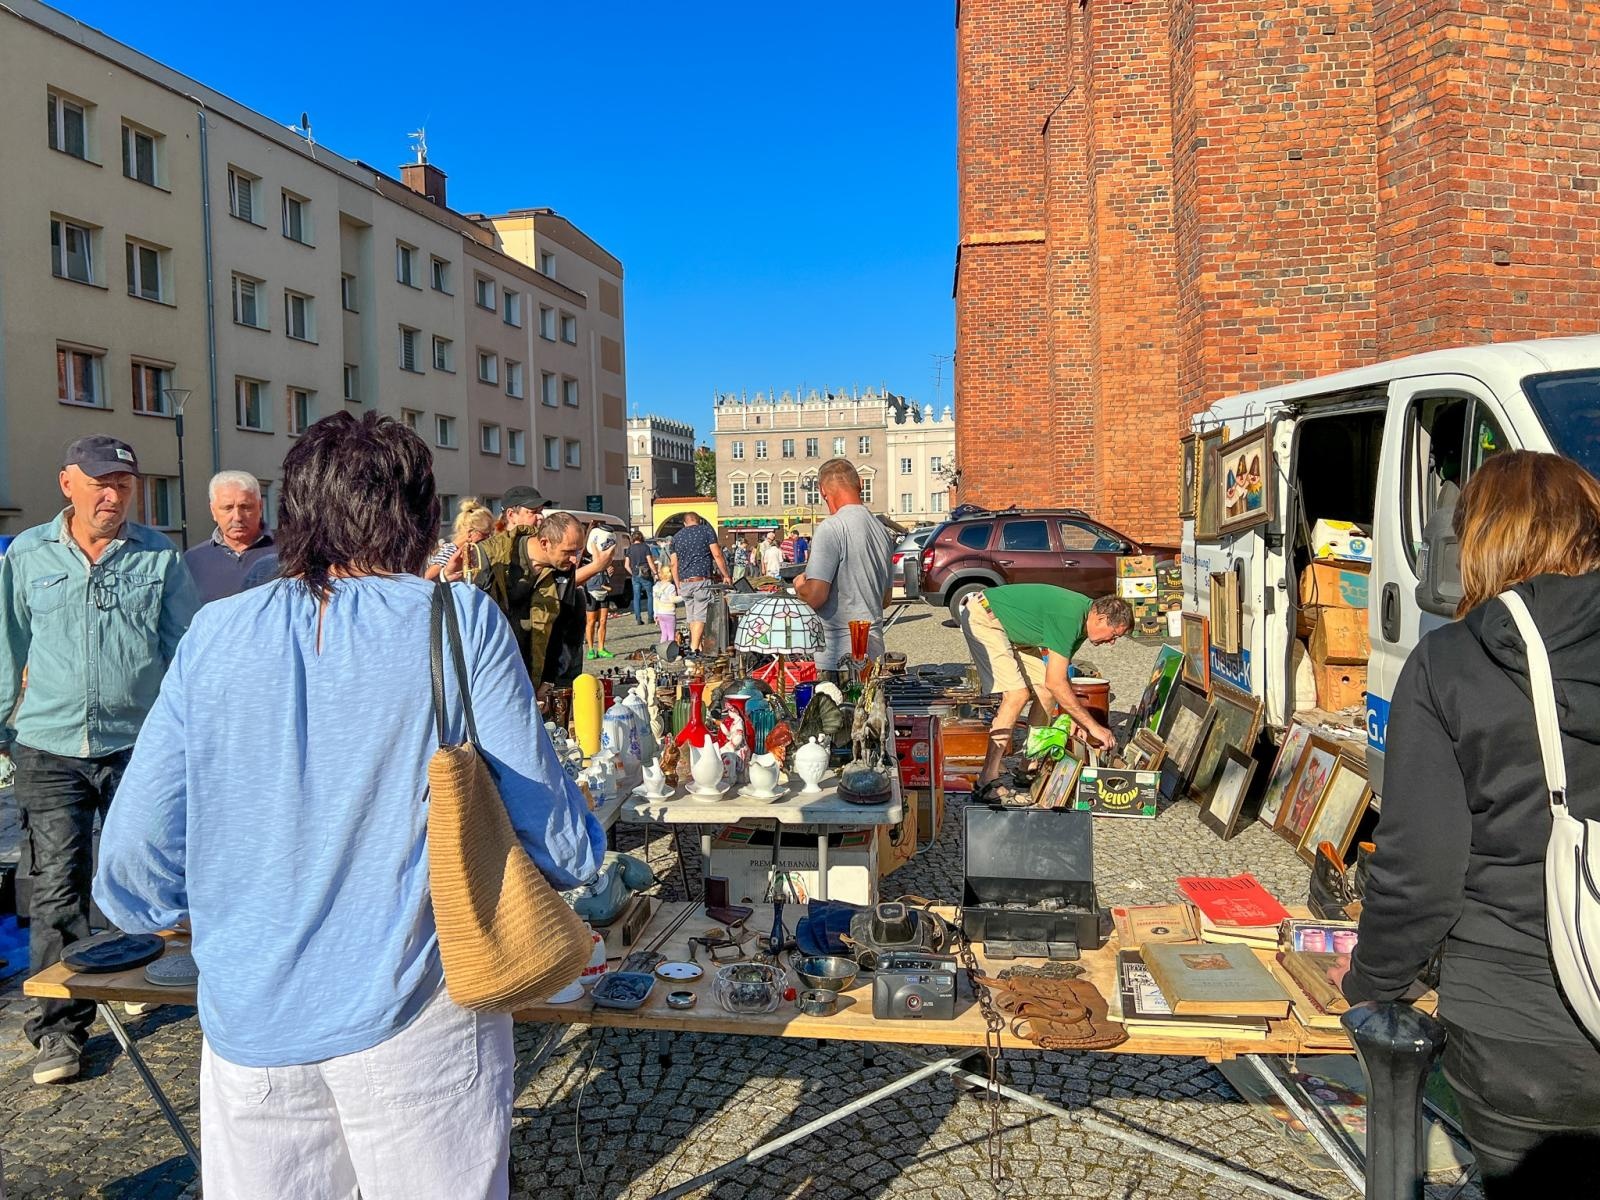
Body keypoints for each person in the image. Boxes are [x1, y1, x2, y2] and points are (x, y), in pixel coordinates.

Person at [92, 410, 602, 1198]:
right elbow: (563, 849)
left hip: (250, 1024)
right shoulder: (455, 619)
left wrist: (216, 914)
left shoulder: (215, 635)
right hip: (417, 1018)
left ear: (292, 517)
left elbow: (130, 870)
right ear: (424, 519)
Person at [1338, 451, 1600, 1193]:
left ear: (1479, 540)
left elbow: (1421, 870)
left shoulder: (1455, 659)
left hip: (1522, 1020)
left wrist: (1370, 983)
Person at [0, 435, 199, 1084]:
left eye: (123, 484)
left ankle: (139, 974)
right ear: (68, 484)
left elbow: (185, 649)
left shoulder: (157, 555)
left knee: (139, 873)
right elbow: (6, 645)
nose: (112, 495)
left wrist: (192, 732)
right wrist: (4, 727)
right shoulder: (28, 554)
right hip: (49, 747)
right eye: (99, 483)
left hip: (138, 744)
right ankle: (60, 1033)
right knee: (58, 886)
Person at [956, 583, 1131, 799]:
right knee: (1017, 694)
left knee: (1046, 694)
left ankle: (1027, 766)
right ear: (1101, 619)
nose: (1112, 642)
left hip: (1015, 631)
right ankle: (986, 780)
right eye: (1114, 635)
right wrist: (1092, 726)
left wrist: (1074, 718)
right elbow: (1057, 682)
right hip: (985, 616)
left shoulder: (1082, 622)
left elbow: (1058, 678)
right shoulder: (1070, 618)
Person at [792, 458, 898, 676]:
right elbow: (886, 599)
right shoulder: (882, 531)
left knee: (839, 709)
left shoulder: (832, 527)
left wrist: (800, 585)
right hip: (874, 650)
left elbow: (815, 596)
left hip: (839, 656)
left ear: (822, 491)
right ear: (860, 483)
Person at [183, 470, 275, 604]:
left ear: (260, 507)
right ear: (213, 511)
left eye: (245, 507)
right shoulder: (192, 561)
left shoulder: (289, 553)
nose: (237, 517)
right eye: (228, 508)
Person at [669, 512, 729, 660]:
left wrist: (677, 583)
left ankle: (699, 647)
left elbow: (673, 563)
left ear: (684, 523)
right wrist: (726, 575)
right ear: (699, 521)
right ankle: (694, 649)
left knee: (691, 616)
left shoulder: (676, 537)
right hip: (701, 580)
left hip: (684, 582)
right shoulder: (706, 530)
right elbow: (717, 554)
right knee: (700, 616)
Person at [425, 497, 494, 586]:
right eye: (485, 535)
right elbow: (427, 578)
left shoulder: (453, 548)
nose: (488, 539)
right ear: (470, 532)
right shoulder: (450, 551)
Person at [583, 525, 618, 660]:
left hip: (604, 591)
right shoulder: (588, 559)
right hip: (592, 591)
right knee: (591, 621)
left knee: (603, 621)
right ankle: (591, 649)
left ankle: (601, 648)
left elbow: (608, 568)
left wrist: (609, 572)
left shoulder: (606, 561)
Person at [625, 531, 656, 625]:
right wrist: (655, 572)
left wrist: (633, 573)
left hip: (635, 575)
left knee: (636, 597)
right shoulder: (645, 547)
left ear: (632, 538)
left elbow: (626, 565)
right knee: (650, 595)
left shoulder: (629, 549)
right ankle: (650, 617)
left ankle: (638, 618)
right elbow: (650, 562)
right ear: (641, 537)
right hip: (646, 574)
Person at [653, 576, 678, 648]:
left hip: (660, 613)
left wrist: (655, 614)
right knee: (671, 634)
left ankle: (661, 651)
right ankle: (670, 652)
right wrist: (684, 597)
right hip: (669, 612)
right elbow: (673, 599)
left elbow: (655, 601)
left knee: (664, 633)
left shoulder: (655, 587)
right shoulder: (671, 586)